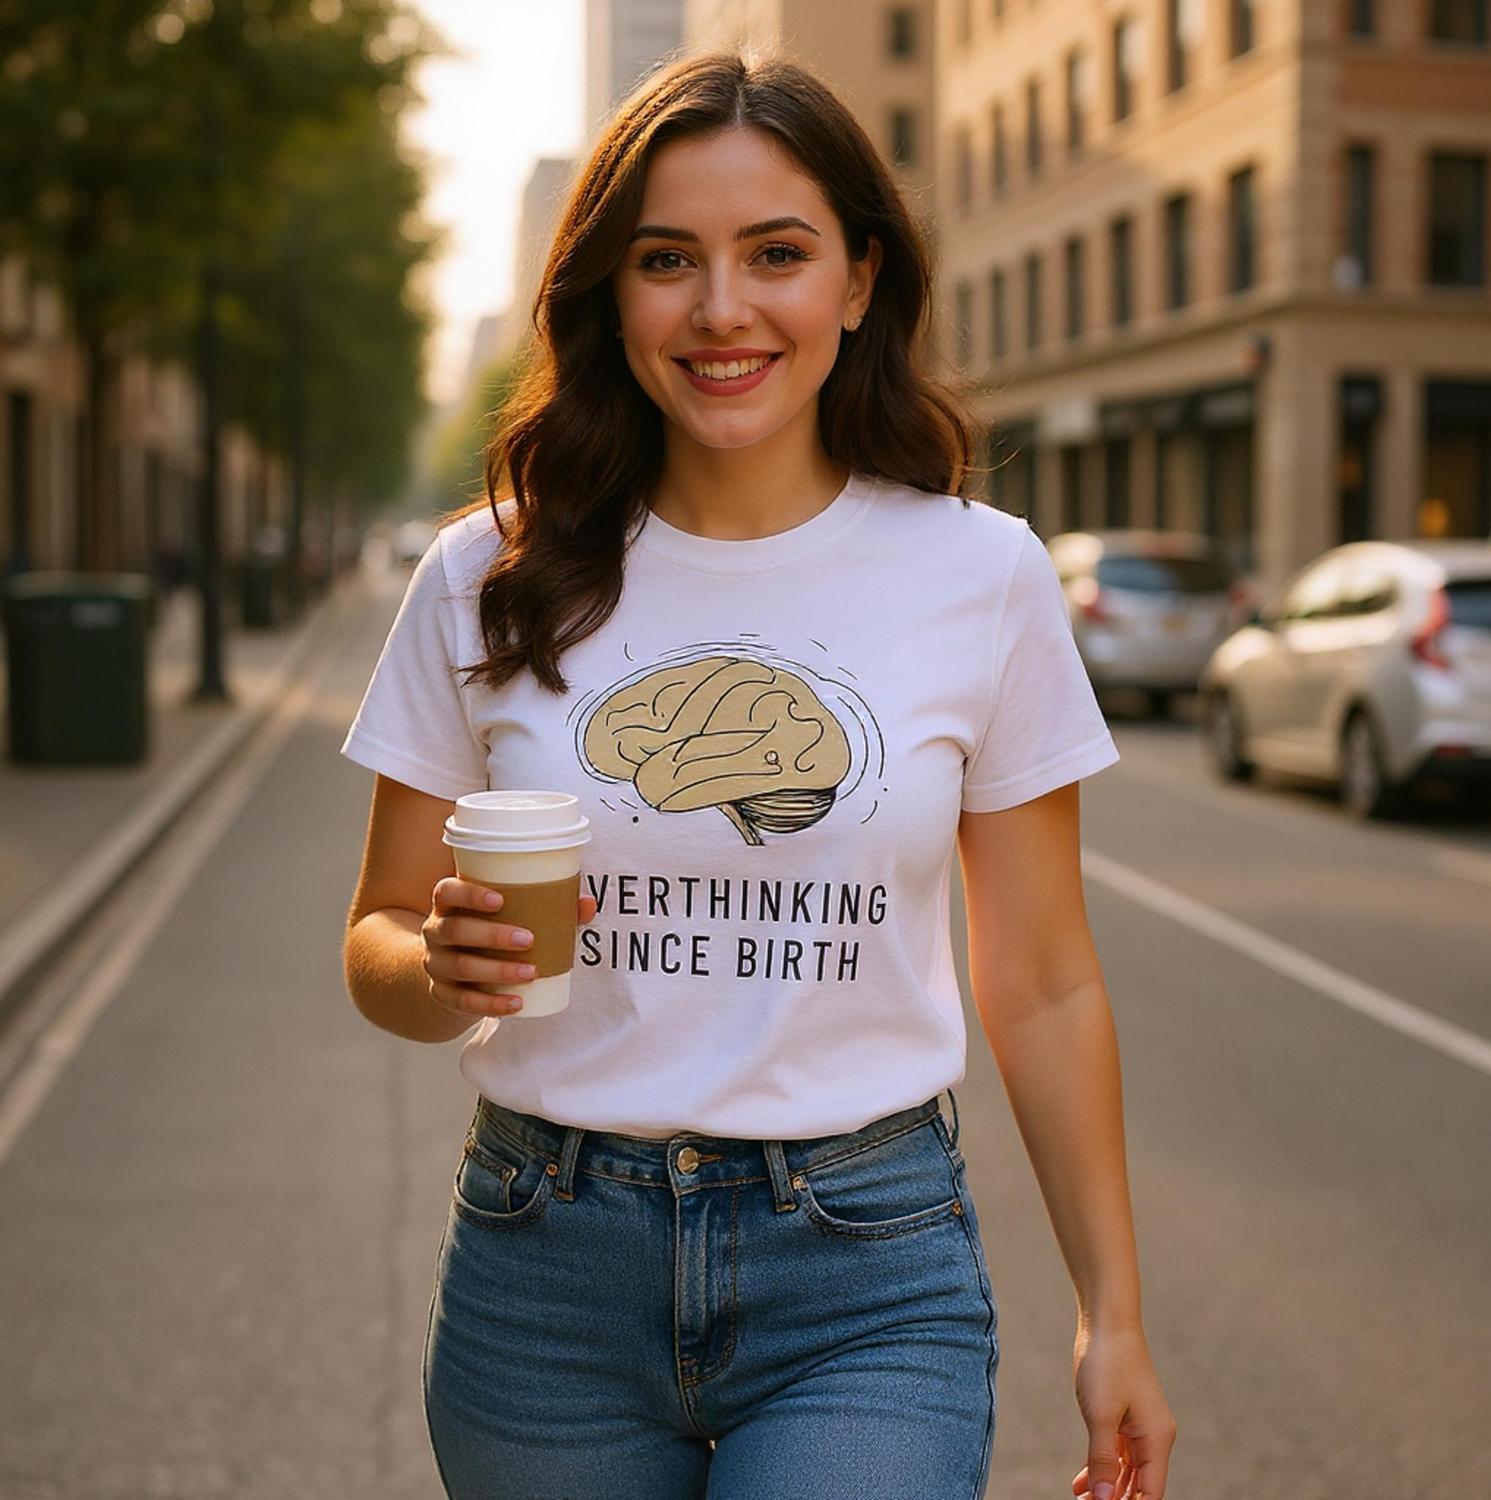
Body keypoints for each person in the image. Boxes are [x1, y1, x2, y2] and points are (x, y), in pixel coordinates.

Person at [339, 48, 1175, 1500]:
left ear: (858, 281)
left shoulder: (980, 574)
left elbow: (1042, 976)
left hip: (866, 1267)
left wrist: (1116, 1316)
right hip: (549, 1266)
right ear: (611, 289)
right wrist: (438, 968)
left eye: (775, 254)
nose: (723, 310)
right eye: (668, 259)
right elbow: (375, 940)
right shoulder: (491, 570)